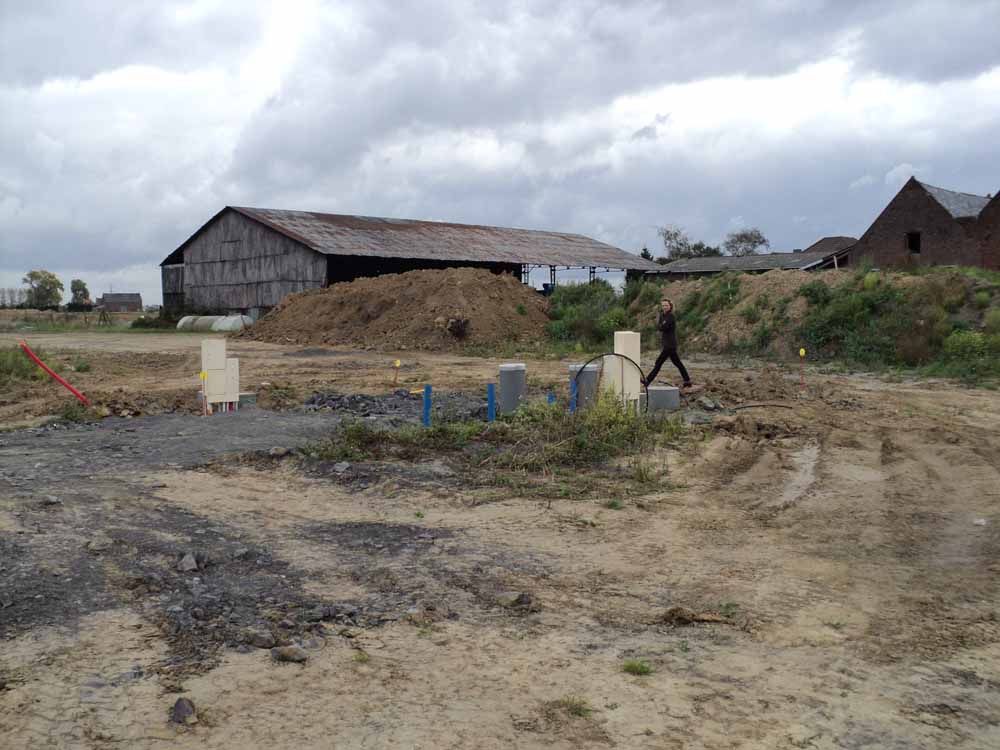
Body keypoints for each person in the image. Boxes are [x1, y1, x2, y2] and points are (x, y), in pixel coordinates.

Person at [643, 297, 692, 388]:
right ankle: (687, 381)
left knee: (658, 363)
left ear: (670, 306)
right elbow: (660, 326)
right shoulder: (663, 316)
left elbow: (662, 328)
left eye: (666, 305)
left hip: (670, 345)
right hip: (668, 344)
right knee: (678, 363)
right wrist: (661, 325)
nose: (664, 307)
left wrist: (661, 325)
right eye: (663, 305)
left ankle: (648, 380)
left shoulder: (671, 316)